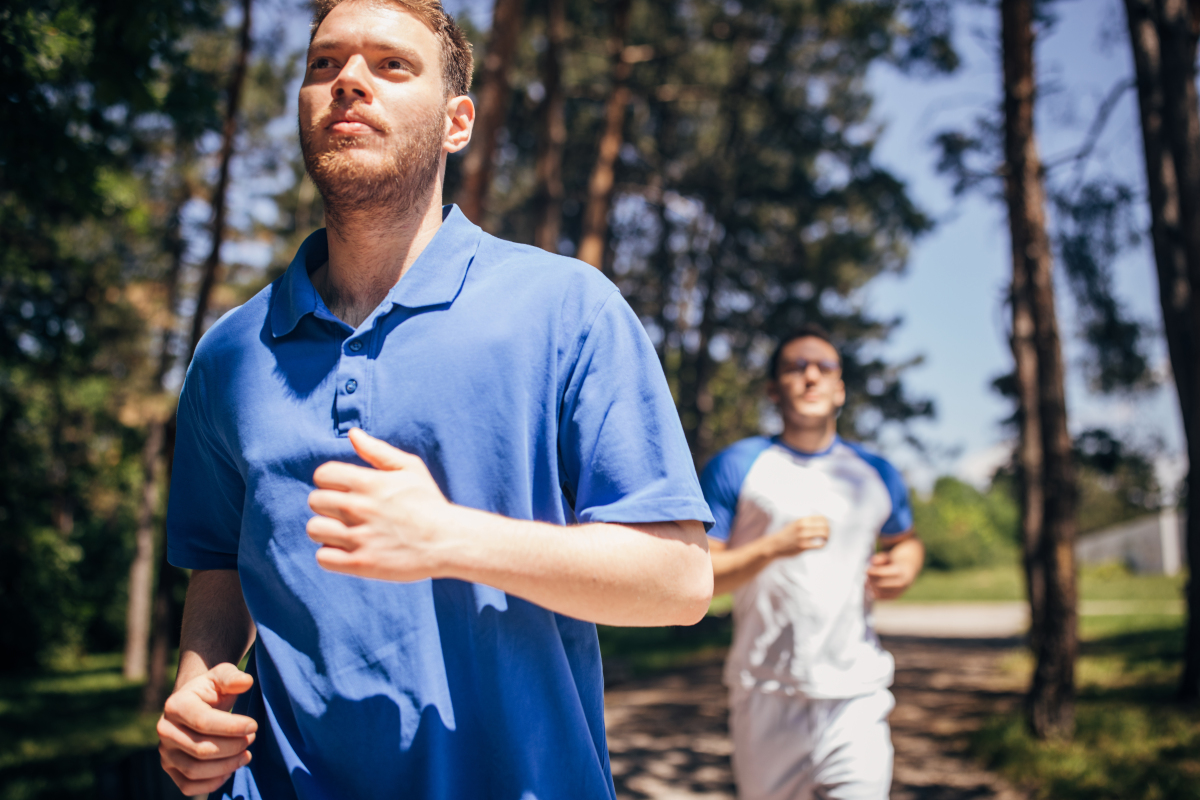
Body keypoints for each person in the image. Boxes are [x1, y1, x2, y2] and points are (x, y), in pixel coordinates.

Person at [154, 1, 715, 797]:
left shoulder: (564, 308)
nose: (348, 80)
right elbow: (221, 563)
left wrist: (449, 538)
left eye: (391, 64)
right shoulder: (229, 354)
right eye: (324, 64)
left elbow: (679, 583)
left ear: (458, 123)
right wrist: (197, 686)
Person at [700, 325, 925, 800]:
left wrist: (905, 565)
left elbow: (906, 540)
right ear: (772, 389)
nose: (810, 376)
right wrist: (771, 548)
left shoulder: (876, 473)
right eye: (795, 367)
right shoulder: (737, 465)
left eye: (824, 367)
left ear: (840, 388)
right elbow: (702, 574)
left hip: (855, 695)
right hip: (765, 694)